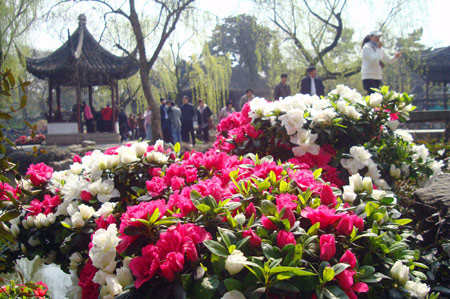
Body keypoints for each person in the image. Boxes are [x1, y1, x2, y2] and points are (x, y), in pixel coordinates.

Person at [361, 30, 401, 95]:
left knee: (379, 96)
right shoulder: (366, 48)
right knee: (373, 96)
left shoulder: (379, 49)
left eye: (379, 37)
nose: (378, 38)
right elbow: (374, 60)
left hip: (377, 77)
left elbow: (389, 59)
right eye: (376, 36)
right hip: (368, 77)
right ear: (370, 37)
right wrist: (378, 49)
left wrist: (395, 57)